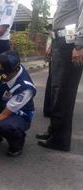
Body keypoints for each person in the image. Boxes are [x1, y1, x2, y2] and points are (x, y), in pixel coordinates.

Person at [36, 0, 83, 151]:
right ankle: (54, 131)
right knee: (56, 90)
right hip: (60, 41)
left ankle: (60, 140)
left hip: (70, 43)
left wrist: (80, 44)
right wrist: (52, 42)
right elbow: (60, 19)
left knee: (64, 91)